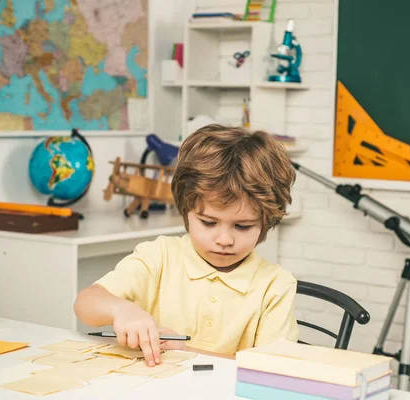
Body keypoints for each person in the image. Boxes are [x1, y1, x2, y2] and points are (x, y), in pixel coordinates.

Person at [74, 124, 298, 366]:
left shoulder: (276, 285)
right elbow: (85, 303)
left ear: (266, 221)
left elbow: (274, 367)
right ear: (187, 210)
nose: (224, 239)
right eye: (209, 222)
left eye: (242, 226)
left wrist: (186, 351)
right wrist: (120, 310)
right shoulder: (159, 256)